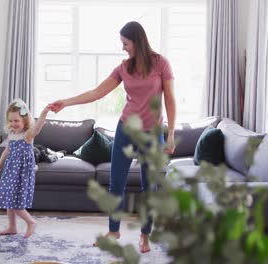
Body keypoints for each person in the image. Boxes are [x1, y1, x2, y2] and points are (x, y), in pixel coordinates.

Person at [50, 21, 176, 253]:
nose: (123, 48)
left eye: (125, 43)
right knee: (116, 182)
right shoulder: (123, 68)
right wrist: (65, 102)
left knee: (150, 187)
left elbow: (169, 99)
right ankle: (113, 230)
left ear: (137, 41)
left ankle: (145, 235)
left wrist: (171, 135)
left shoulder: (161, 64)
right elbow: (97, 92)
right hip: (126, 130)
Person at [0, 98, 51, 238]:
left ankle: (31, 222)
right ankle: (12, 227)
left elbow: (37, 128)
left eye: (16, 121)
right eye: (11, 121)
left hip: (22, 173)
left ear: (25, 120)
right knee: (8, 198)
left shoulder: (27, 135)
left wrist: (43, 113)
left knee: (16, 202)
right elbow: (7, 150)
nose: (13, 124)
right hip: (10, 170)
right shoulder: (12, 133)